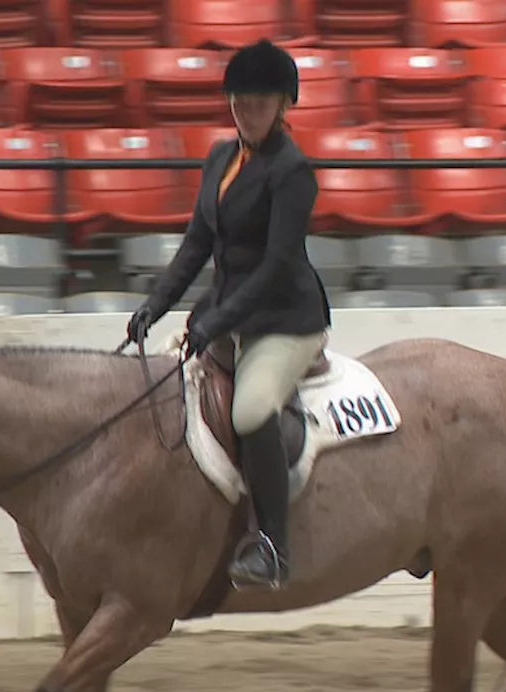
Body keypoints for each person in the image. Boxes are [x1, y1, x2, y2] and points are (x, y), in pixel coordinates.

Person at [125, 39, 330, 591]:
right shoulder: (220, 157)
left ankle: (273, 548)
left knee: (250, 410)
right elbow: (197, 243)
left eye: (259, 103)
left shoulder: (293, 173)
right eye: (239, 101)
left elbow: (274, 267)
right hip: (227, 308)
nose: (246, 112)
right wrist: (156, 303)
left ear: (283, 105)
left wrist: (213, 323)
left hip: (284, 319)